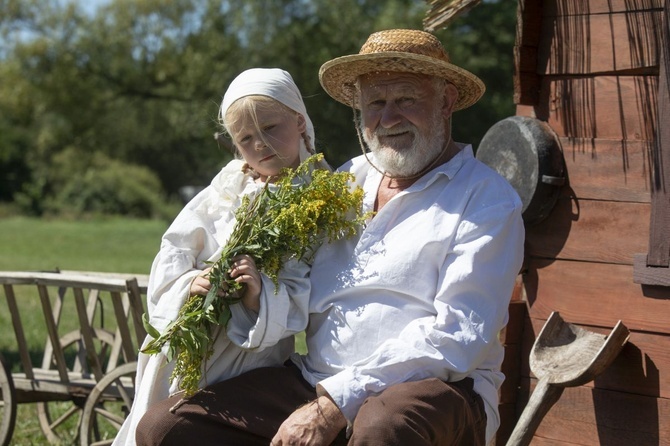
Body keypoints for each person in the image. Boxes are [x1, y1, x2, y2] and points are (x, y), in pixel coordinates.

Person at [134, 29, 525, 446]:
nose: (388, 119)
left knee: (382, 427)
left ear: (446, 101)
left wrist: (336, 404)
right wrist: (250, 288)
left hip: (433, 391)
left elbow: (457, 338)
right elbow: (294, 281)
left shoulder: (486, 199)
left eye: (406, 99)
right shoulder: (344, 182)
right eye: (375, 103)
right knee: (168, 427)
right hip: (315, 381)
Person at [113, 67, 329, 446]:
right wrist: (189, 284)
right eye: (246, 138)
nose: (261, 144)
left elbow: (314, 287)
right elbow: (176, 248)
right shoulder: (228, 186)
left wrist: (259, 292)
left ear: (299, 121)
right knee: (160, 420)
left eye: (271, 128)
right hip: (190, 342)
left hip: (248, 354)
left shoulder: (321, 197)